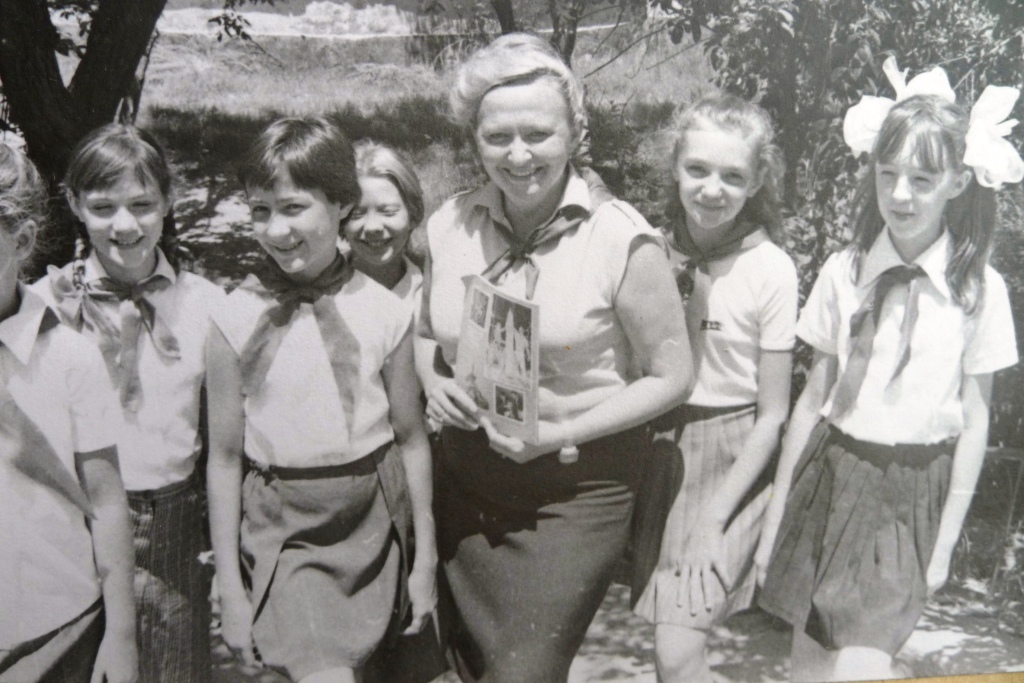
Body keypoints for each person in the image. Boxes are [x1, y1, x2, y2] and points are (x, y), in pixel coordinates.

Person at [416, 33, 693, 683]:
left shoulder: (622, 239)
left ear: (574, 132)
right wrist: (432, 379)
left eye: (538, 134)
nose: (518, 155)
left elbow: (674, 375)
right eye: (497, 137)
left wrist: (561, 431)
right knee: (477, 669)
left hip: (576, 491)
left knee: (524, 670)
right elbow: (427, 334)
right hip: (467, 483)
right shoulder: (447, 225)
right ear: (474, 140)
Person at [756, 57, 1022, 682]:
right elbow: (811, 401)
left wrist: (946, 541)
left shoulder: (978, 291)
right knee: (809, 668)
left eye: (923, 178)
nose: (900, 194)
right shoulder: (843, 272)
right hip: (830, 474)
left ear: (958, 183)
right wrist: (775, 517)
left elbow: (975, 423)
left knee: (861, 669)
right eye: (888, 173)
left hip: (911, 491)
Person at [206, 116, 436, 683]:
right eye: (260, 210)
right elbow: (225, 458)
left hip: (373, 519)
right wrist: (230, 587)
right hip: (284, 526)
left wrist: (424, 556)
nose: (276, 229)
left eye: (293, 208)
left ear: (341, 204)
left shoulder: (385, 312)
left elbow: (411, 438)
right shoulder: (232, 318)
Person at [32, 123, 223, 682]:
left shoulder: (207, 306)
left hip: (172, 530)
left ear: (169, 200)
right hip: (69, 529)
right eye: (102, 207)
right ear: (73, 203)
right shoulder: (42, 309)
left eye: (142, 204)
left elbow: (223, 444)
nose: (124, 225)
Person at [630, 93, 798, 683]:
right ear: (675, 167)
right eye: (697, 169)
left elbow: (773, 414)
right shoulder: (649, 250)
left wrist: (713, 519)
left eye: (733, 176)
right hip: (656, 448)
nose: (711, 189)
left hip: (732, 459)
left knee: (677, 651)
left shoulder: (771, 269)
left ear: (756, 183)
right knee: (670, 655)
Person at [0, 143, 137, 682]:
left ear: (22, 240)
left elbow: (106, 498)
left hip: (57, 630)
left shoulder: (69, 357)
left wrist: (121, 635)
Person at [345, 139, 425, 304]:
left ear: (413, 214)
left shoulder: (429, 291)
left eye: (388, 212)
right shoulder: (317, 290)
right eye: (356, 214)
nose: (372, 227)